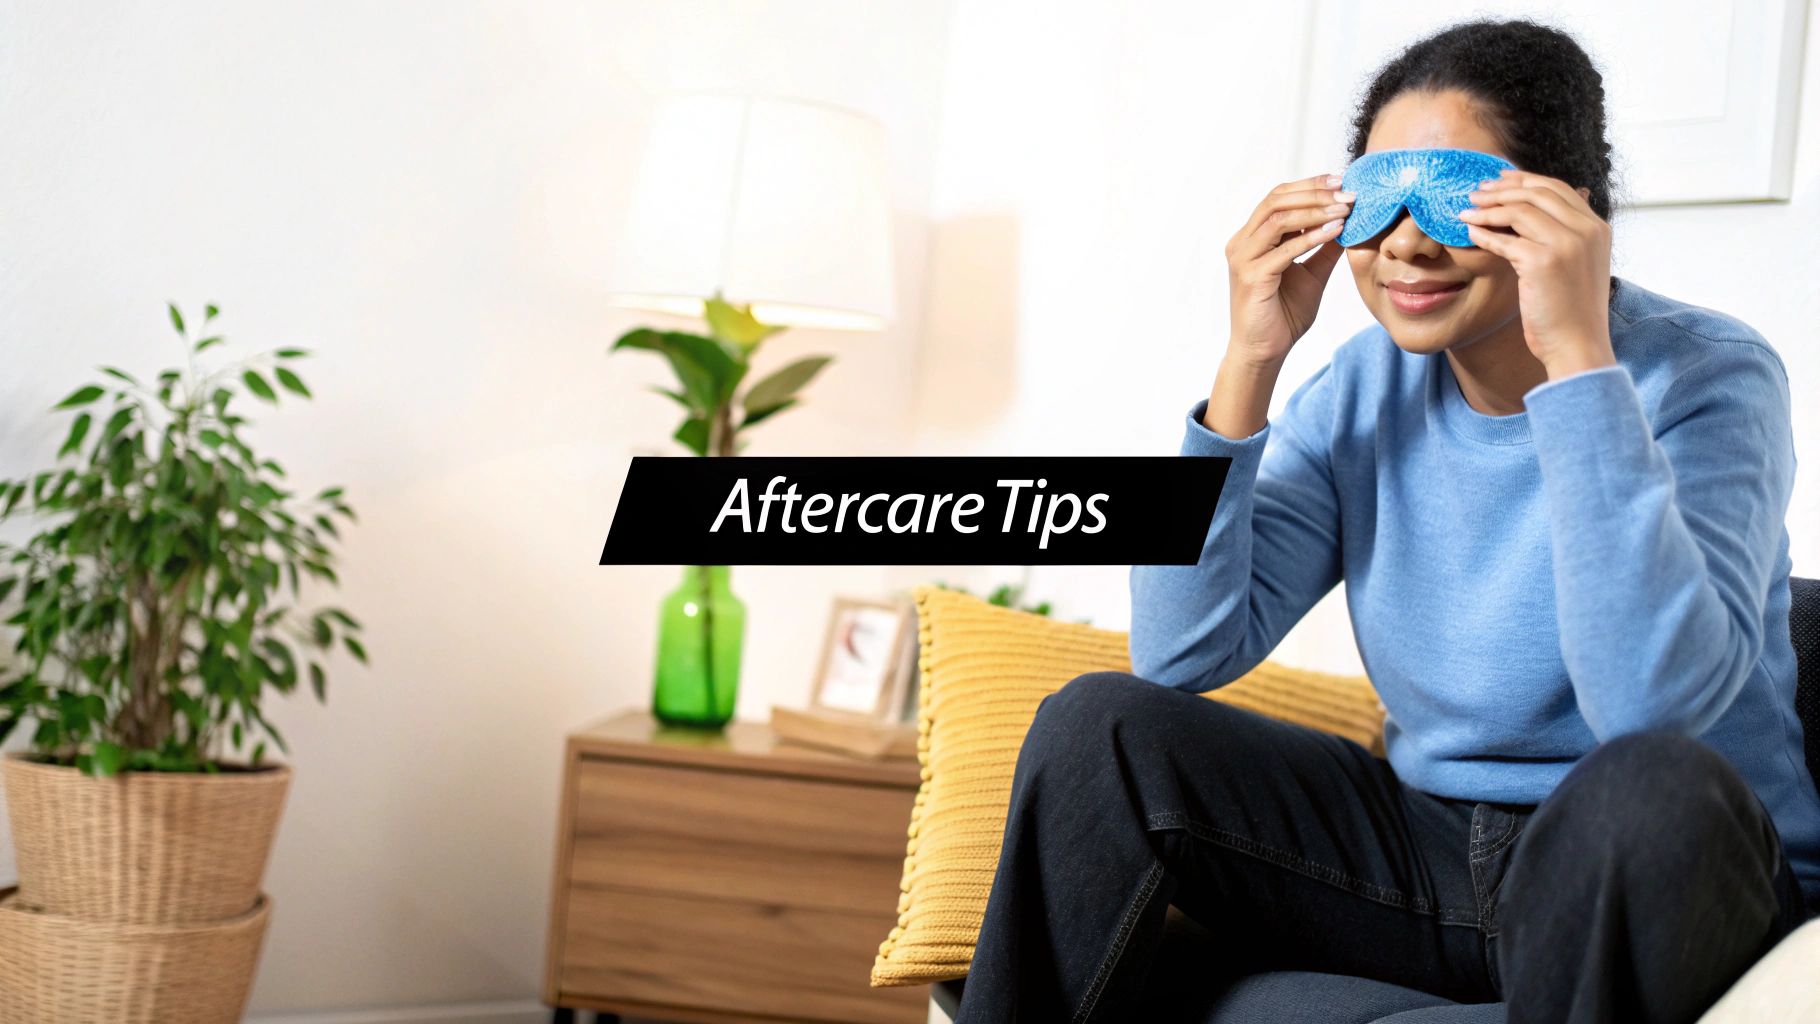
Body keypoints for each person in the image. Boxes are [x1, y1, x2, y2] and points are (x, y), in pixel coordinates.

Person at [953, 18, 1818, 1024]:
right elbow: (1178, 653)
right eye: (1377, 200)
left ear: (1567, 212)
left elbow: (1647, 709)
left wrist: (1577, 354)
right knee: (1099, 722)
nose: (1406, 242)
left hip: (1659, 857)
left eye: (1455, 199)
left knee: (1641, 788)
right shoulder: (1362, 387)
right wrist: (1250, 358)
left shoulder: (1707, 375)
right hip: (1431, 857)